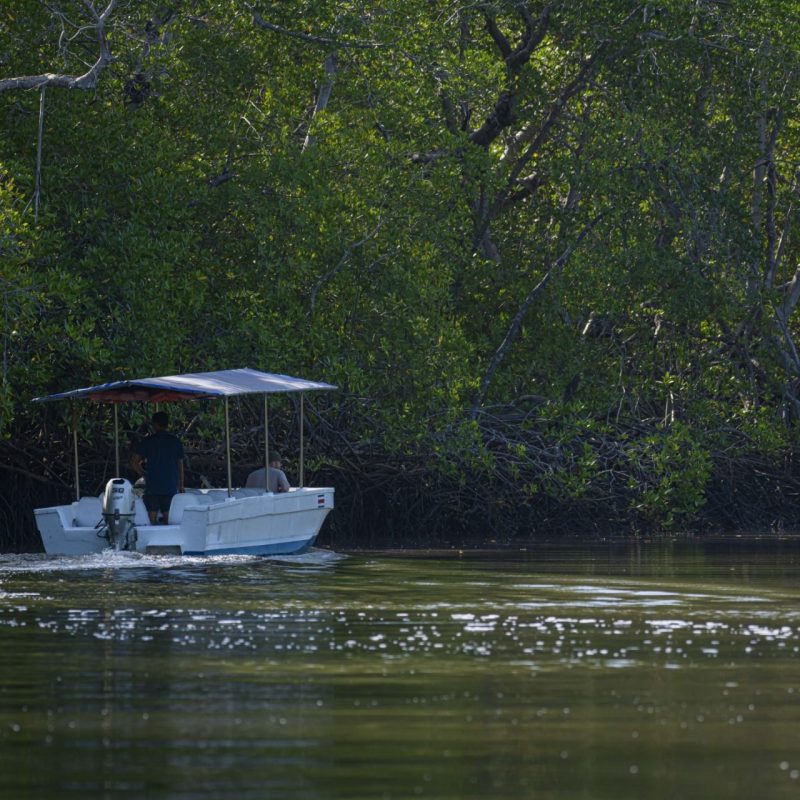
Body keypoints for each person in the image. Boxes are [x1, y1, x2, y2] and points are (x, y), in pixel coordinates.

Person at [131, 411, 185, 524]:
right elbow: (180, 465)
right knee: (168, 515)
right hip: (170, 483)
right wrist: (181, 485)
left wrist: (144, 474)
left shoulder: (148, 441)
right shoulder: (175, 441)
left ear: (155, 424)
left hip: (153, 484)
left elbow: (134, 462)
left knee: (152, 515)